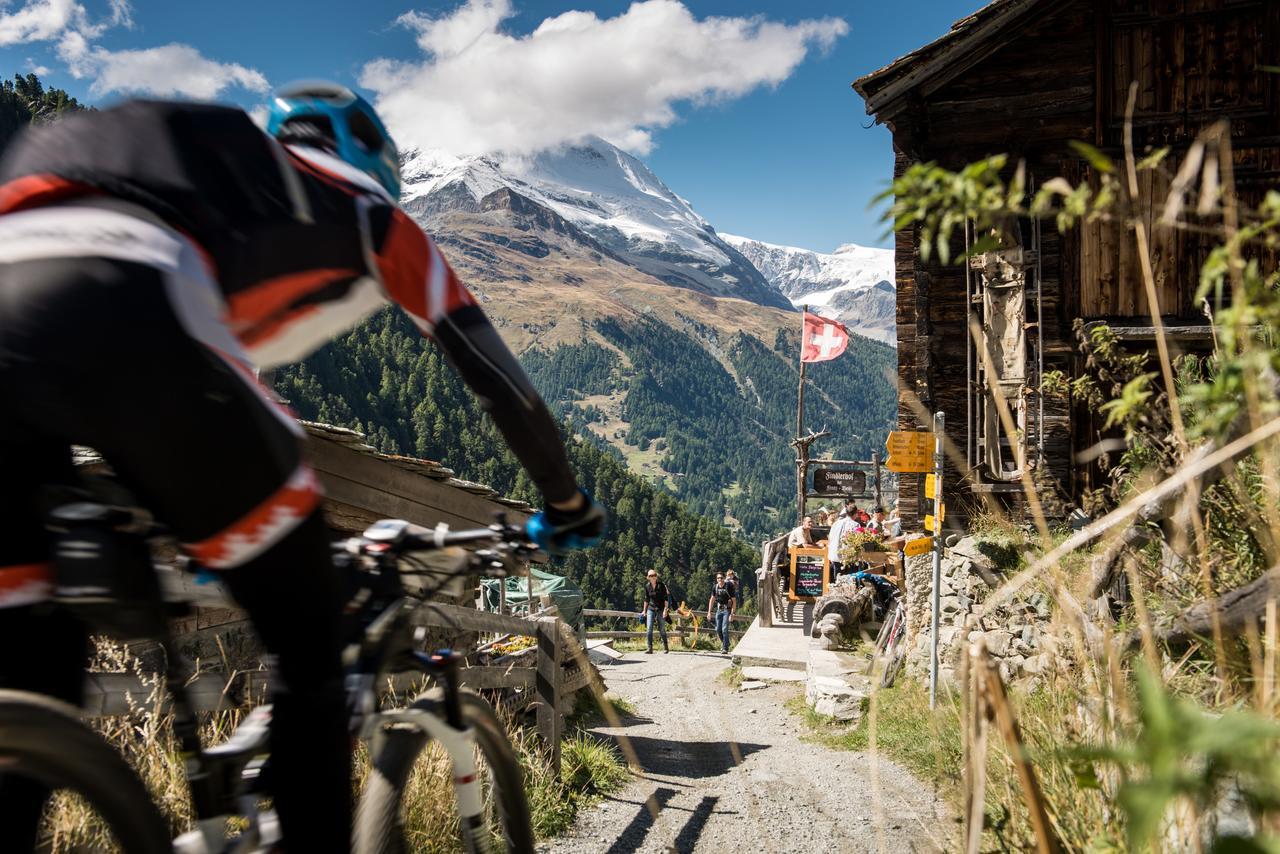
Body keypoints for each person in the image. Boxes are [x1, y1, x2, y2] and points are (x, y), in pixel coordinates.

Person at [0, 83, 606, 852]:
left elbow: (232, 384)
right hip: (137, 304)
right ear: (370, 158)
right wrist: (564, 497)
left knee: (32, 647)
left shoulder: (203, 177)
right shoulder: (364, 207)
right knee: (310, 643)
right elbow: (495, 373)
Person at [640, 569, 670, 654]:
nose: (652, 577)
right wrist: (644, 611)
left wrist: (665, 610)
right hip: (651, 608)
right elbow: (646, 599)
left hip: (661, 609)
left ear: (656, 576)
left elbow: (666, 599)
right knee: (649, 628)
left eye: (654, 575)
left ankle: (666, 647)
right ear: (648, 577)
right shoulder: (647, 586)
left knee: (662, 629)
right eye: (650, 576)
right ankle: (650, 648)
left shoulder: (662, 586)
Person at [706, 572, 735, 654]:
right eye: (718, 578)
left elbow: (734, 601)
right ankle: (726, 643)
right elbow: (712, 599)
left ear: (724, 578)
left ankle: (725, 648)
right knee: (718, 629)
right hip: (719, 609)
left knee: (724, 629)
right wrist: (709, 612)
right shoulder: (715, 587)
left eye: (721, 578)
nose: (720, 579)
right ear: (716, 579)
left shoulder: (728, 586)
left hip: (727, 610)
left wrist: (732, 613)